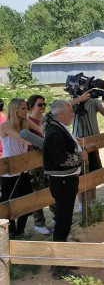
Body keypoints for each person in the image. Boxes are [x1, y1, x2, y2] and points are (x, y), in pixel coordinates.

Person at [42, 100, 92, 279]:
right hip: (62, 183)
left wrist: (75, 146)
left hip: (66, 182)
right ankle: (58, 266)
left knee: (65, 222)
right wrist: (80, 156)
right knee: (63, 223)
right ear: (62, 114)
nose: (73, 114)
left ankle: (60, 260)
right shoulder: (55, 131)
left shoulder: (57, 128)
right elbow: (61, 159)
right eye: (70, 112)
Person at [0, 98, 41, 238]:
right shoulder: (5, 125)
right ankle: (12, 233)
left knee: (26, 203)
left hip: (22, 170)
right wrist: (36, 142)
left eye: (26, 108)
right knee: (9, 206)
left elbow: (40, 129)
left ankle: (21, 231)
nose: (26, 111)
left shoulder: (25, 122)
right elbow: (20, 138)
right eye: (23, 108)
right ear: (15, 110)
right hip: (9, 173)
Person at [70, 88, 104, 213]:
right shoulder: (74, 101)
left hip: (93, 141)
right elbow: (61, 106)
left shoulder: (94, 101)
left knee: (94, 171)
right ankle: (82, 204)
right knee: (80, 175)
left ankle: (92, 200)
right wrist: (79, 99)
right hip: (78, 141)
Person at [27, 94, 55, 235]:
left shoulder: (46, 120)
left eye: (44, 104)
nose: (43, 107)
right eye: (40, 104)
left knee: (52, 188)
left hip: (48, 160)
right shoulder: (28, 121)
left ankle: (56, 216)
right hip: (35, 162)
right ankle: (39, 223)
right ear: (31, 106)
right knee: (37, 191)